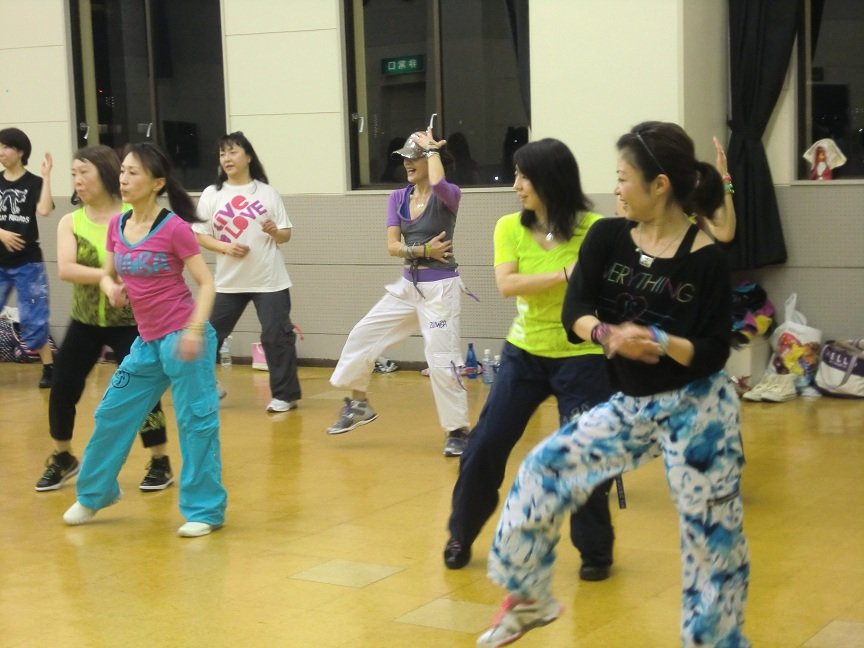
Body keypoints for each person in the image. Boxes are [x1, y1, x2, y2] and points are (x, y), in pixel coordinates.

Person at [478, 122, 750, 647]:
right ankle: (529, 596)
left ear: (660, 185)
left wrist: (659, 340)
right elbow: (575, 310)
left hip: (699, 410)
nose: (616, 189)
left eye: (624, 178)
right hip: (632, 403)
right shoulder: (608, 237)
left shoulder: (707, 260)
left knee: (711, 540)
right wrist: (606, 334)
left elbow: (713, 351)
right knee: (544, 468)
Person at [444, 138, 617, 582]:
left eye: (525, 177)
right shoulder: (509, 227)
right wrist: (564, 274)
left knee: (584, 454)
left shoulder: (596, 229)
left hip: (582, 355)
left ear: (551, 181)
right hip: (524, 353)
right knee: (485, 444)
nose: (516, 185)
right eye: (517, 175)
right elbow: (508, 284)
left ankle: (596, 551)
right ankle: (460, 534)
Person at [63, 142, 227, 538]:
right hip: (147, 342)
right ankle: (95, 494)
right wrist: (112, 288)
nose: (123, 178)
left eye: (133, 172)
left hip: (183, 336)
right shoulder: (117, 225)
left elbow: (207, 284)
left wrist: (194, 331)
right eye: (122, 170)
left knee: (196, 422)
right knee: (111, 412)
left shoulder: (174, 228)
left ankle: (205, 510)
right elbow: (109, 274)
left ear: (157, 183)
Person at [35, 145, 174, 492]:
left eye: (85, 172)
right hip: (85, 321)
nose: (78, 180)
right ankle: (63, 456)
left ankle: (159, 460)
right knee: (62, 385)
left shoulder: (131, 216)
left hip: (131, 322)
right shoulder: (71, 221)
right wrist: (105, 277)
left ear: (106, 174)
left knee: (142, 390)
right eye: (74, 174)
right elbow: (66, 269)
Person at [326, 125, 471, 456]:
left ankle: (458, 431)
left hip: (440, 290)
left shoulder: (449, 194)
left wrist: (431, 149)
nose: (407, 163)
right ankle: (358, 404)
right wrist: (423, 251)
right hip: (408, 286)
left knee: (441, 359)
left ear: (430, 160)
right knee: (363, 335)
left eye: (414, 157)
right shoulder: (398, 198)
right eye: (405, 157)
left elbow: (438, 183)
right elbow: (393, 246)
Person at [193, 131, 301, 413]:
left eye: (233, 152)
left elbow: (286, 234)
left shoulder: (267, 192)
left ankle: (285, 396)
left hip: (269, 280)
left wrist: (275, 231)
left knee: (276, 336)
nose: (226, 158)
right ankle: (208, 386)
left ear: (249, 157)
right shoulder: (211, 194)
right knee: (207, 336)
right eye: (222, 154)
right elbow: (200, 235)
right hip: (229, 282)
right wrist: (225, 247)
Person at [0, 127, 55, 387]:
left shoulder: (33, 182)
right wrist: (2, 233)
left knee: (34, 317)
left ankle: (49, 368)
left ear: (20, 151)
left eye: (6, 147)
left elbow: (44, 210)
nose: (1, 153)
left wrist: (46, 176)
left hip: (28, 263)